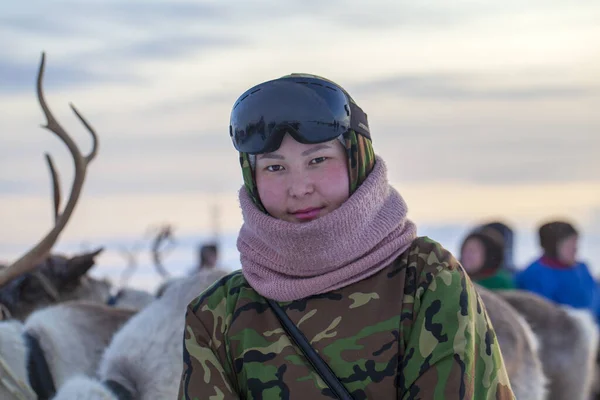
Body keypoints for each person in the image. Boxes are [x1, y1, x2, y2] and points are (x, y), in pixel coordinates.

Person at [178, 74, 514, 399]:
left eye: (318, 160)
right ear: (252, 176)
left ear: (356, 159)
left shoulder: (426, 278)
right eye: (274, 167)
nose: (299, 188)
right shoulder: (217, 314)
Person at [515, 220, 599, 320]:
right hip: (559, 332)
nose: (575, 249)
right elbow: (540, 314)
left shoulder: (582, 269)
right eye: (569, 245)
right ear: (553, 246)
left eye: (576, 243)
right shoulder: (534, 275)